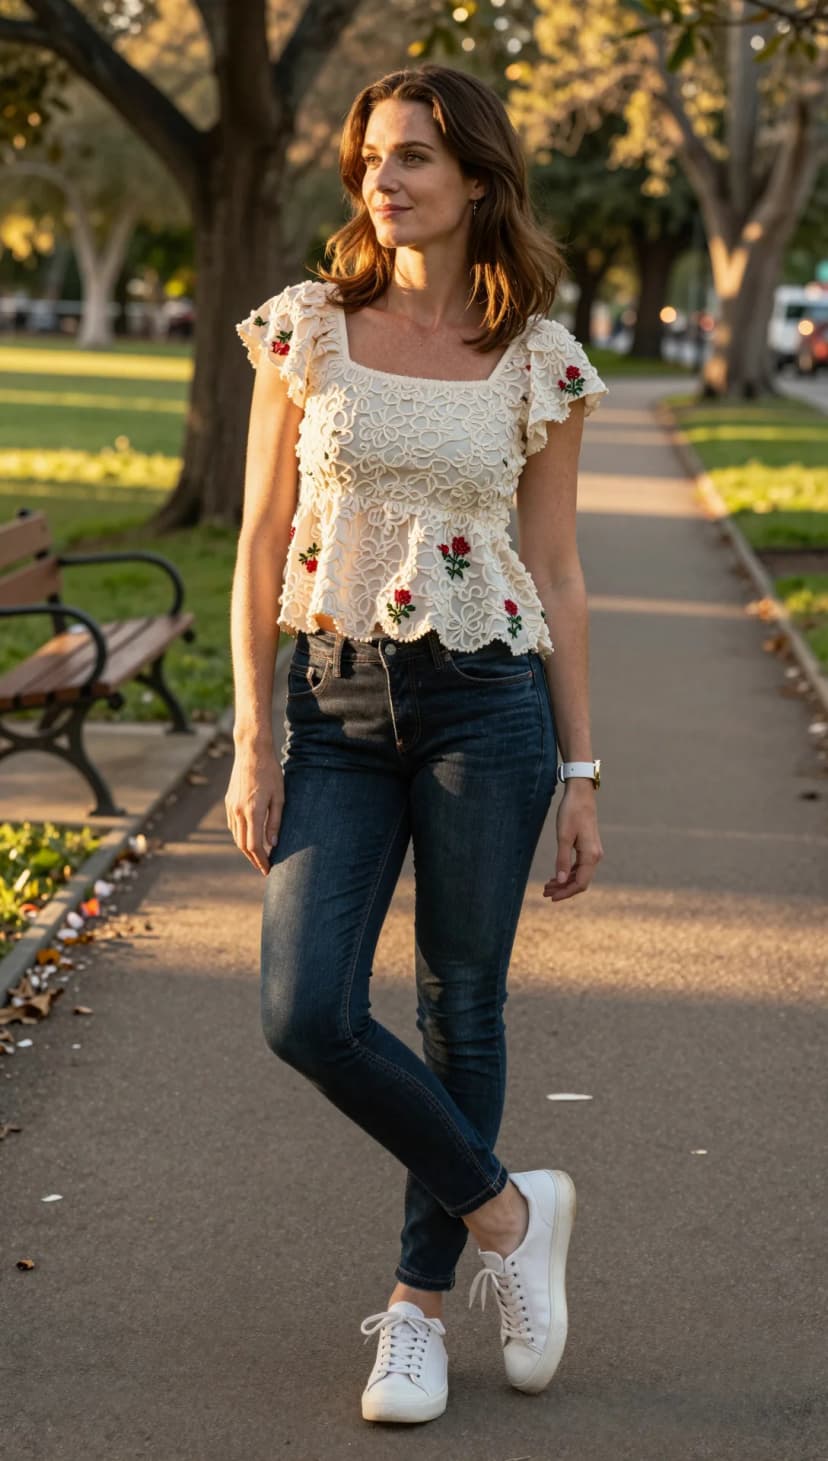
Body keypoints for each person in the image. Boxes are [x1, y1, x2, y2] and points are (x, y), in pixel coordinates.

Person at [227, 62, 608, 1426]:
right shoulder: (306, 329)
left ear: (478, 182)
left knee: (464, 998)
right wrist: (253, 732)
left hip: (487, 703)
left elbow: (557, 569)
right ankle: (511, 1211)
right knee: (306, 1008)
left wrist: (580, 772)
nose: (384, 181)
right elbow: (264, 539)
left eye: (415, 160)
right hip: (330, 698)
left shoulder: (538, 356)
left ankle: (417, 1308)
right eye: (375, 158)